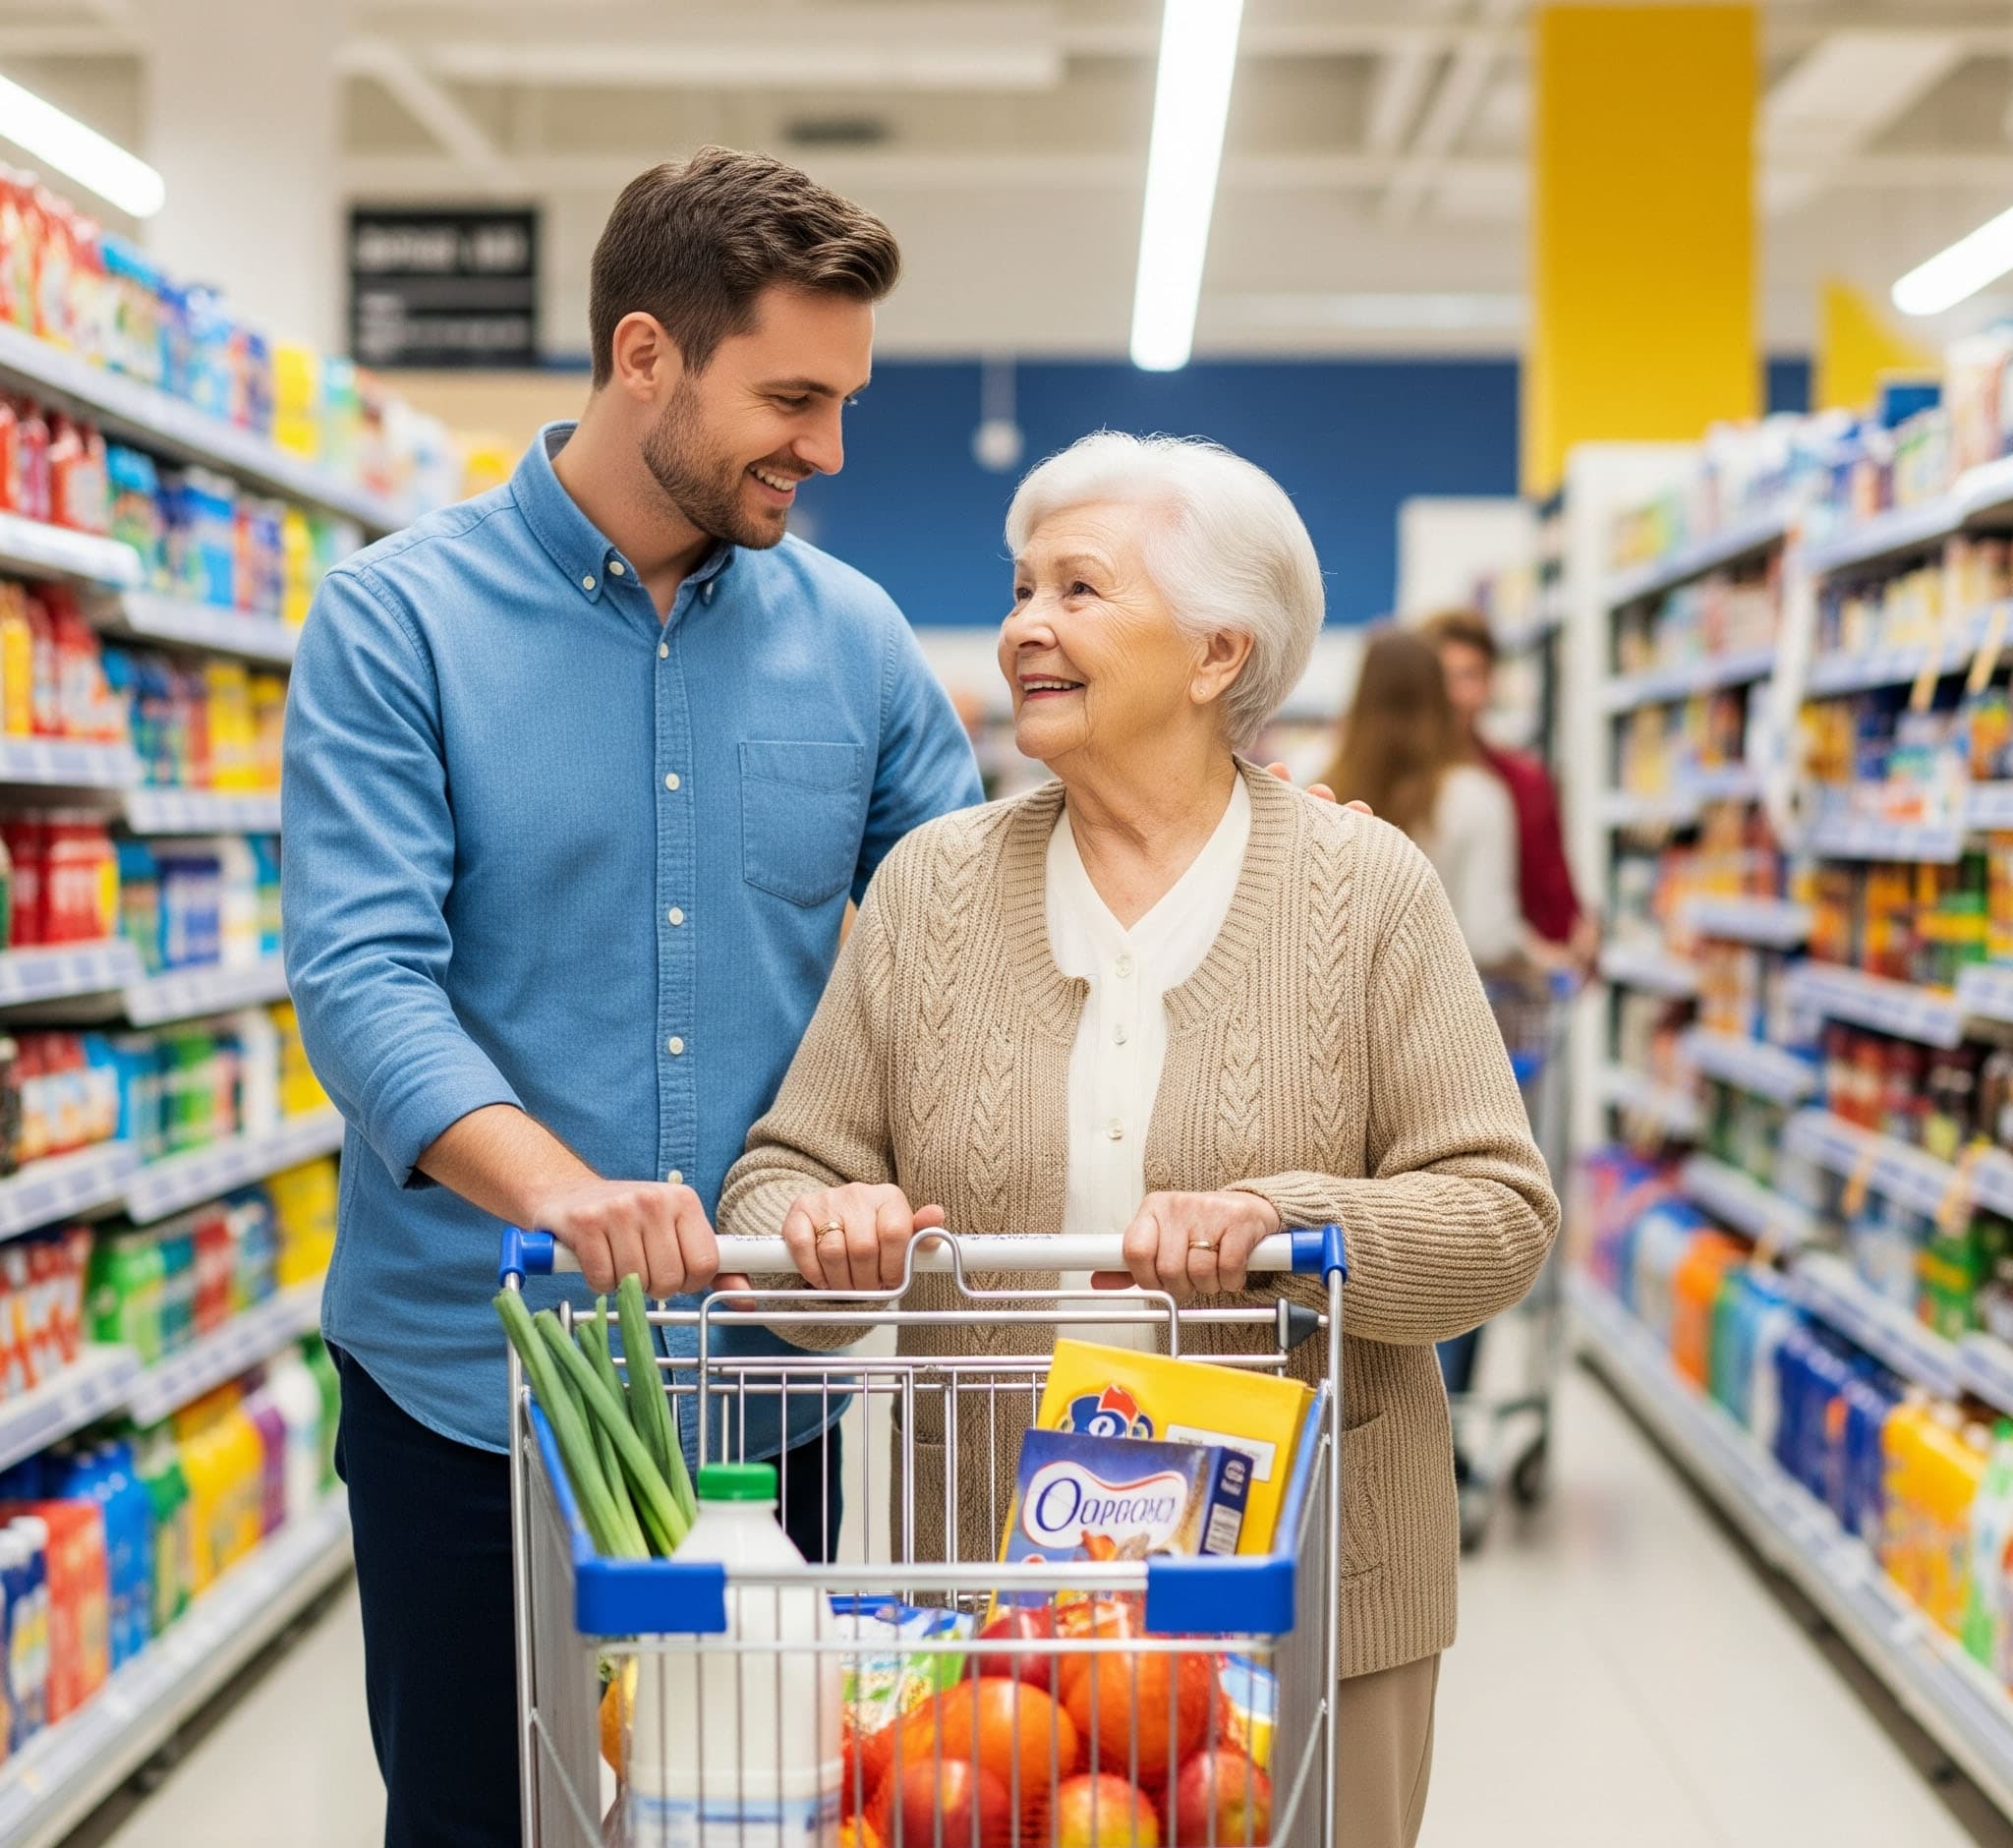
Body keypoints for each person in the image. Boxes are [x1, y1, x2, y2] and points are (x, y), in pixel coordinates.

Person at [280, 148, 989, 1848]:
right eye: (791, 398)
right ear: (646, 354)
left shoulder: (861, 641)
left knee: (754, 1802)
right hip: (475, 1378)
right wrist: (562, 1192)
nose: (822, 451)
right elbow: (363, 978)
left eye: (842, 404)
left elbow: (963, 945)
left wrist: (1224, 816)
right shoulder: (398, 625)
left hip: (767, 1374)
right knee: (474, 1816)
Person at [719, 432, 1561, 1848]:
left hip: (1308, 1600)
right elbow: (785, 1168)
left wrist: (1284, 1225)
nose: (1026, 626)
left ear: (1219, 653)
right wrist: (824, 1230)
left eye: (1081, 590)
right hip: (984, 1615)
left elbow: (1498, 1214)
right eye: (1023, 587)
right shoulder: (931, 890)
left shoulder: (1367, 889)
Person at [1323, 628, 1527, 971]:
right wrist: (1536, 958)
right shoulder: (1476, 798)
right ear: (1440, 699)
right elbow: (1488, 938)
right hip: (1435, 1006)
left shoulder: (1315, 784)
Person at [1425, 606, 1598, 975]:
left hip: (1512, 993)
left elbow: (1557, 895)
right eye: (1443, 677)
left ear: (1490, 683)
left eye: (1469, 676)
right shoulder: (1404, 784)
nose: (1455, 694)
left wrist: (1580, 934)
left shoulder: (1525, 782)